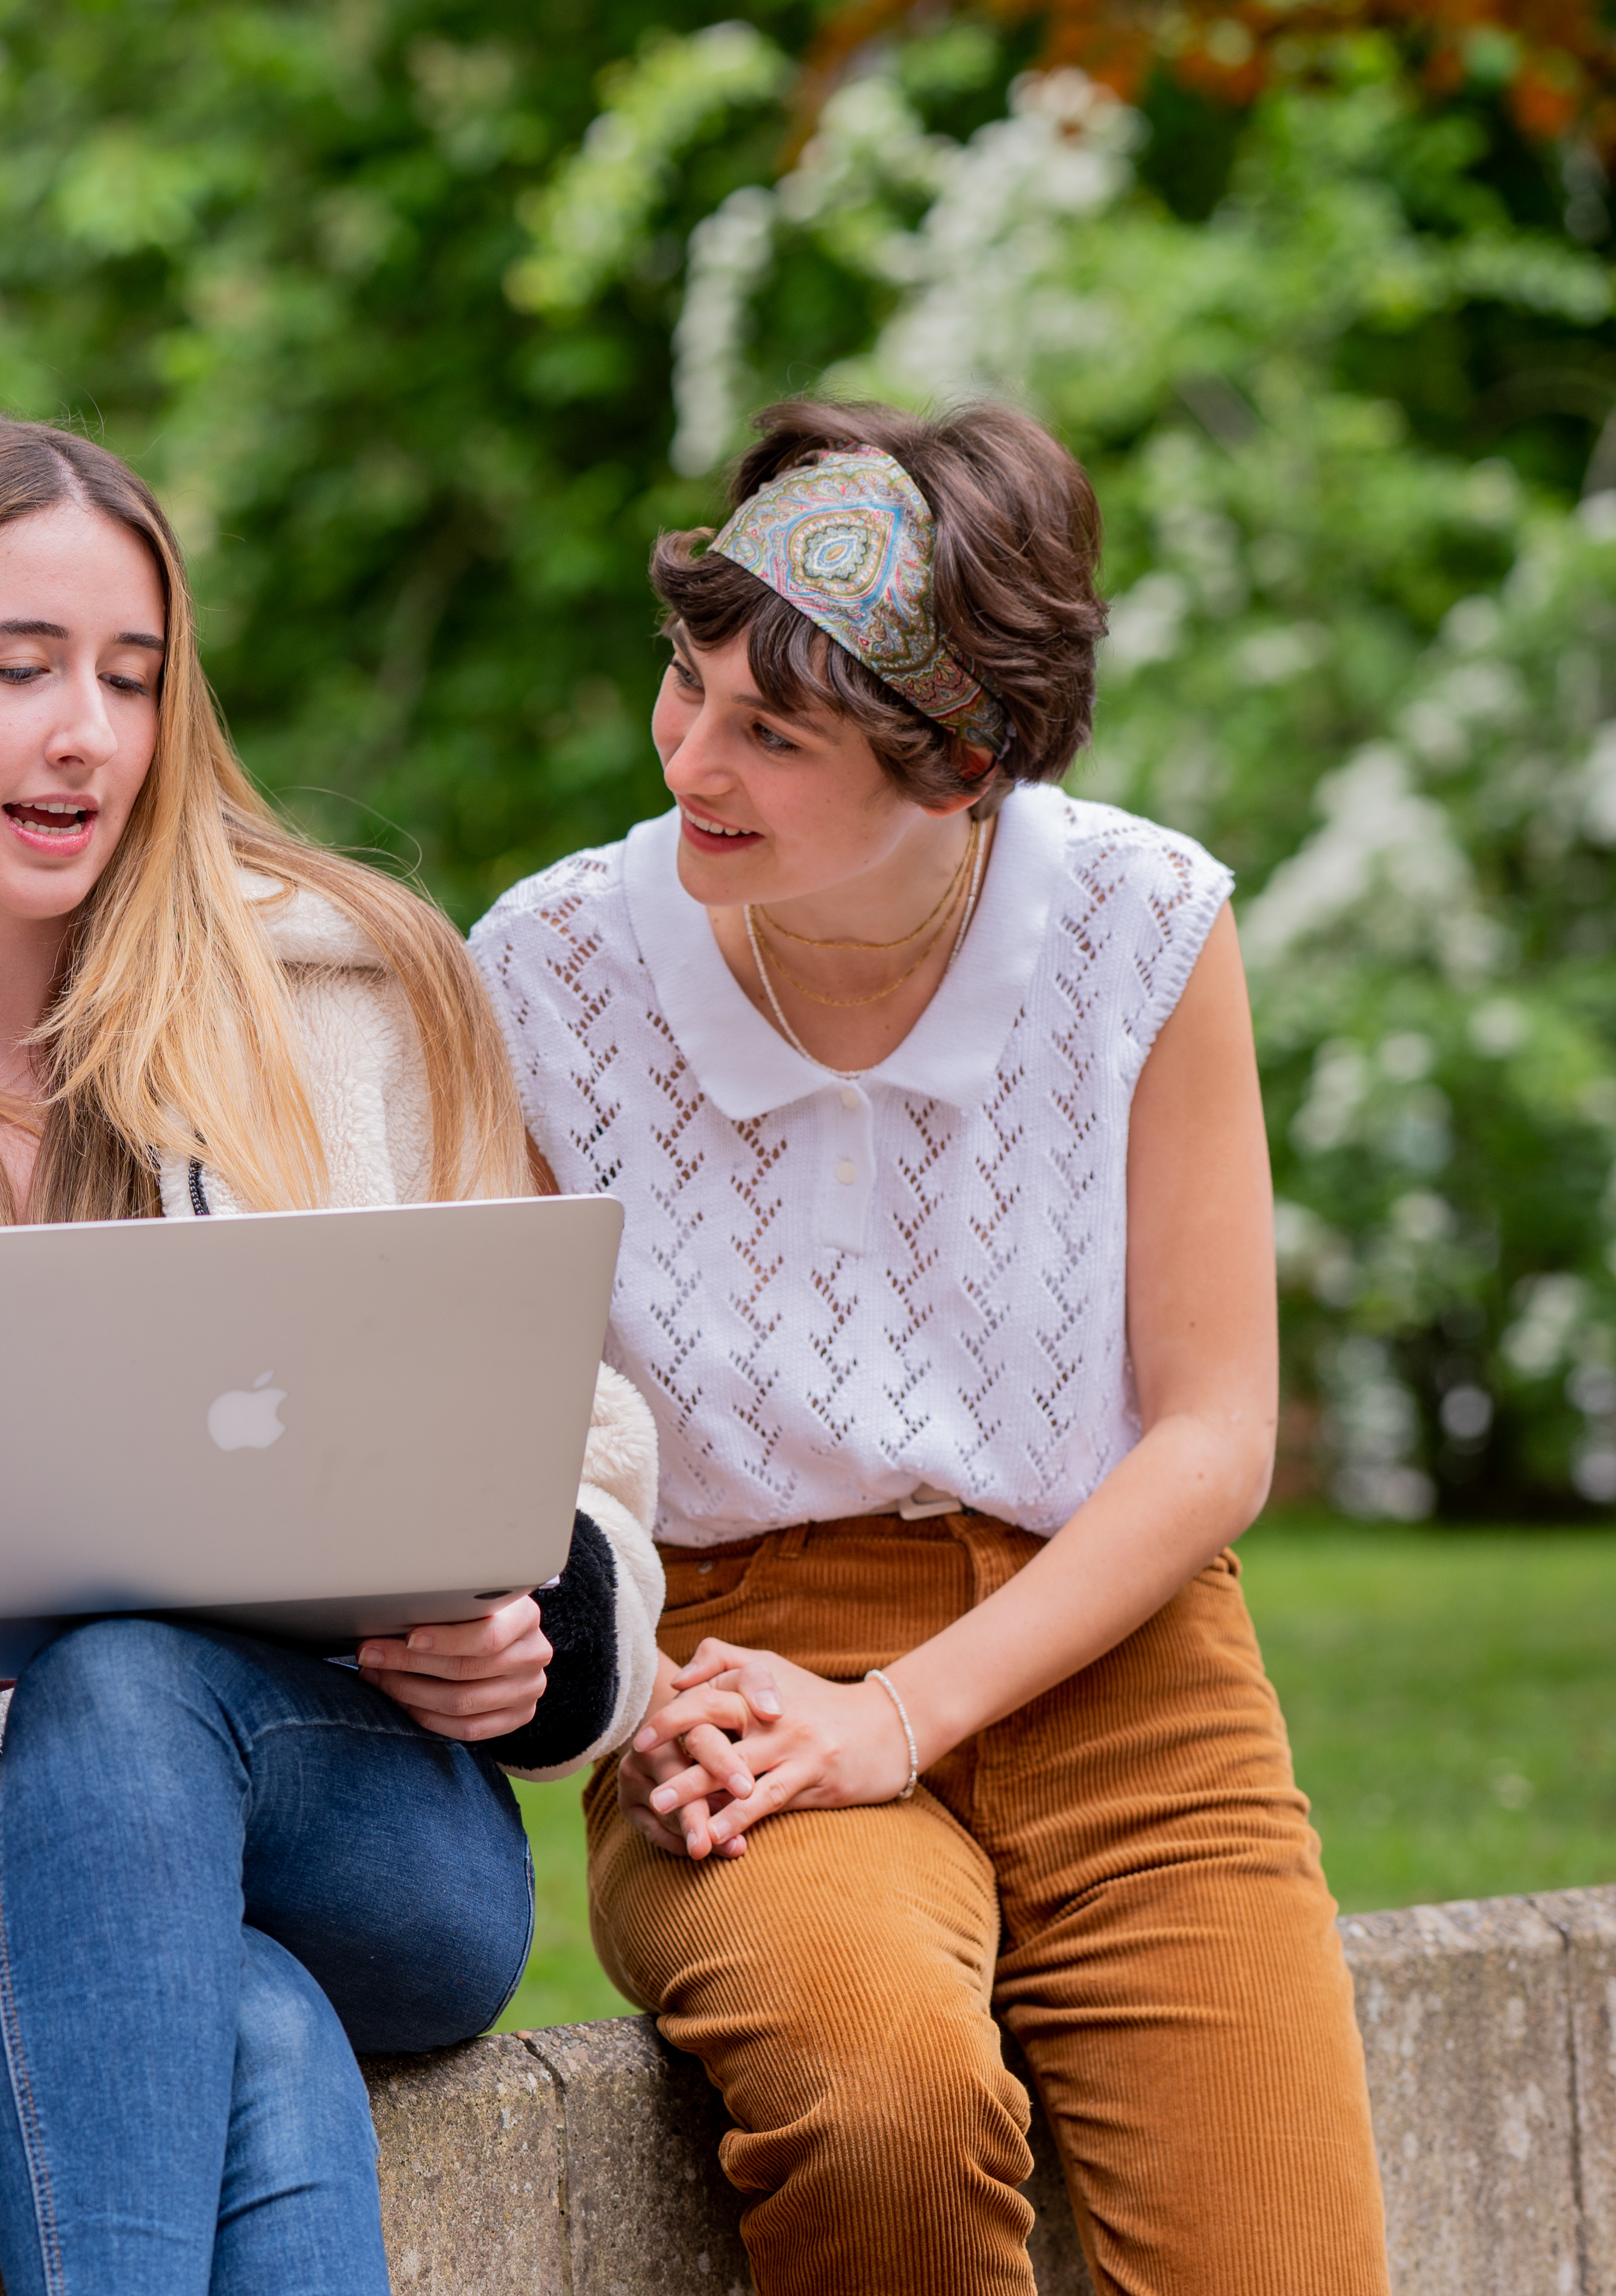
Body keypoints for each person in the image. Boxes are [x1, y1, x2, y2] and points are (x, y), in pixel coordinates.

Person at [0, 410, 666, 2296]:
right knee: (251, 2034)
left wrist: (538, 1621)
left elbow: (573, 1438)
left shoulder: (354, 995)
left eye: (131, 679)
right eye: (18, 670)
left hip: (366, 1817)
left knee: (122, 1680)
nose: (85, 737)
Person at [468, 397, 1389, 2294]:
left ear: (961, 766)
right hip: (742, 1672)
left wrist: (906, 1715)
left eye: (772, 733)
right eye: (687, 680)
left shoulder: (1142, 925)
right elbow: (506, 1450)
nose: (689, 757)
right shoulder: (545, 968)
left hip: (1126, 1667)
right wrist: (643, 1691)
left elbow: (1214, 1435)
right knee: (886, 2111)